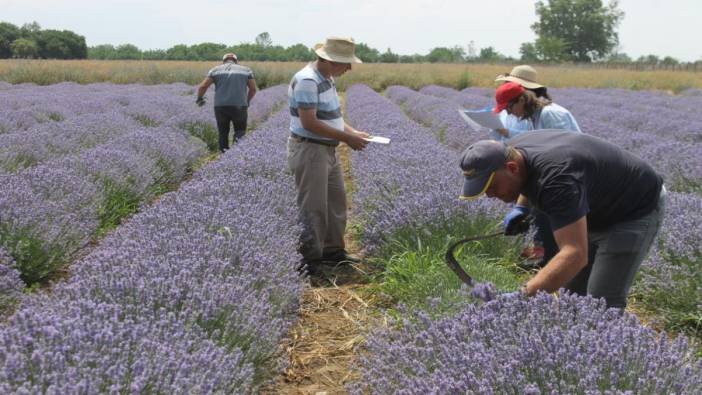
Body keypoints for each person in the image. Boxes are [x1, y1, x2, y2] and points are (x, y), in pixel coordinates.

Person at [458, 133, 666, 309]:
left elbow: (574, 254)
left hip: (632, 210)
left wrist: (521, 297)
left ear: (511, 168)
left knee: (600, 302)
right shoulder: (513, 151)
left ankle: (602, 355)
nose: (490, 195)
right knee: (571, 297)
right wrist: (522, 206)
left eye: (493, 187)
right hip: (593, 205)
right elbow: (528, 175)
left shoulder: (557, 181)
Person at [287, 37, 370, 273]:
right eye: (347, 63)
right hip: (310, 149)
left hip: (327, 150)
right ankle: (310, 261)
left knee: (336, 203)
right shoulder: (307, 81)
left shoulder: (327, 79)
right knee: (314, 207)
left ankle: (333, 252)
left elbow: (331, 117)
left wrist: (353, 132)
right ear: (332, 61)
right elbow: (310, 122)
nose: (349, 68)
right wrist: (348, 139)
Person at [494, 79, 582, 269]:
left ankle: (555, 264)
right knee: (539, 211)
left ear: (522, 100)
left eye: (509, 107)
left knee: (549, 213)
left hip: (570, 173)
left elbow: (567, 150)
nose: (508, 113)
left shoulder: (551, 114)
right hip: (555, 172)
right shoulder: (534, 116)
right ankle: (548, 260)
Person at [196, 53, 257, 152]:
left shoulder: (215, 70)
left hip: (220, 106)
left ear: (223, 61)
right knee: (240, 131)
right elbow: (253, 89)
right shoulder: (246, 70)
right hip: (240, 106)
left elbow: (203, 86)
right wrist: (247, 101)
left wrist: (199, 98)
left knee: (223, 132)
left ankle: (223, 154)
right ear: (236, 61)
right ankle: (237, 155)